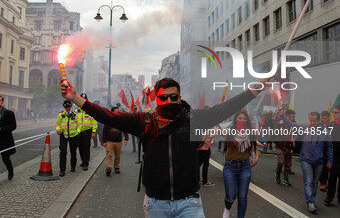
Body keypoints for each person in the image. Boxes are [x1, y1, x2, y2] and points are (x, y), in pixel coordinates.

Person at [61, 77, 265, 218]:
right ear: (156, 99)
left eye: (173, 97)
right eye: (163, 97)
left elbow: (227, 107)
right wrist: (76, 98)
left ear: (180, 96)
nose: (169, 101)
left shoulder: (194, 118)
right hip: (156, 203)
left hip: (189, 202)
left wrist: (257, 89)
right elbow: (107, 116)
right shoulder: (144, 120)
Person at [281, 110, 333, 214]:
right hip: (306, 159)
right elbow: (292, 124)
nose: (312, 123)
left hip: (319, 161)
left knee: (315, 182)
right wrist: (282, 115)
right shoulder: (305, 127)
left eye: (314, 121)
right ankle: (310, 202)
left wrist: (330, 160)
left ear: (319, 120)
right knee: (309, 181)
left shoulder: (325, 131)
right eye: (310, 121)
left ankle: (311, 199)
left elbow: (329, 146)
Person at [222, 110, 259, 218]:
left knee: (242, 197)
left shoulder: (251, 132)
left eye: (244, 118)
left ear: (247, 120)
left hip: (244, 167)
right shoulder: (230, 131)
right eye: (240, 118)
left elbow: (254, 144)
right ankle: (227, 208)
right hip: (230, 166)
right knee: (231, 196)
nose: (242, 120)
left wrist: (256, 157)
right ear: (235, 119)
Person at [103, 106, 129, 176]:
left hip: (118, 141)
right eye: (117, 111)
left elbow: (124, 129)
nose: (119, 112)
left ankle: (117, 167)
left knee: (117, 155)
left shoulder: (121, 120)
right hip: (109, 141)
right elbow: (104, 131)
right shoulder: (108, 119)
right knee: (109, 155)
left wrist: (126, 139)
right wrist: (104, 141)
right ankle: (109, 168)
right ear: (112, 112)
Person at [272, 109, 295, 186]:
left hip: (289, 147)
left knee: (287, 165)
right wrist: (267, 142)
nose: (294, 118)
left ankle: (285, 180)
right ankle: (277, 176)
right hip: (280, 147)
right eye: (292, 117)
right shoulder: (279, 124)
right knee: (281, 161)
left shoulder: (293, 125)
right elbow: (273, 134)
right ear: (287, 117)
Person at [56, 100, 79, 177]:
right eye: (66, 107)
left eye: (69, 107)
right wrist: (58, 130)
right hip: (63, 135)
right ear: (64, 107)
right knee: (63, 152)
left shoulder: (75, 115)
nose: (68, 108)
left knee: (73, 151)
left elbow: (79, 125)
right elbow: (58, 124)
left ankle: (73, 166)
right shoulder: (61, 115)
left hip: (73, 136)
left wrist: (77, 132)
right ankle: (62, 170)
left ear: (71, 107)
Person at [75, 93, 98, 171]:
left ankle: (86, 163)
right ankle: (83, 160)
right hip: (79, 132)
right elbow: (73, 122)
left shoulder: (90, 110)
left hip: (87, 131)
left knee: (86, 147)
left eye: (85, 100)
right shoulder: (76, 111)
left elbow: (94, 122)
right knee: (80, 147)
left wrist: (94, 131)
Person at [324, 105, 340, 205]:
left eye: (336, 112)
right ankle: (330, 197)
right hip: (334, 154)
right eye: (333, 112)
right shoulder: (330, 125)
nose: (333, 114)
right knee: (333, 175)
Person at [0, 95, 16, 180]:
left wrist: (2, 129)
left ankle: (10, 171)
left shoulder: (8, 113)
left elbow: (13, 126)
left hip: (4, 140)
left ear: (2, 102)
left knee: (5, 158)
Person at [319, 110, 331, 191]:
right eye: (322, 118)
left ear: (328, 118)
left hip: (329, 149)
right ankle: (322, 183)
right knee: (322, 167)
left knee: (328, 167)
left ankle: (325, 182)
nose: (323, 120)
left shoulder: (332, 125)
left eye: (325, 118)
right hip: (321, 149)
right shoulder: (319, 127)